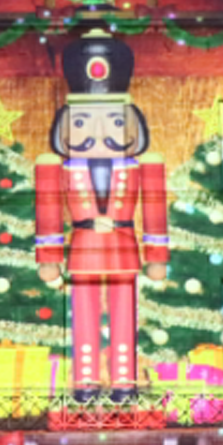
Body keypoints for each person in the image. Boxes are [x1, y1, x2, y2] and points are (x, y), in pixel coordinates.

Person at [34, 29, 168, 403]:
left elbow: (155, 209)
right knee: (84, 316)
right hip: (82, 248)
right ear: (64, 127)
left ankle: (124, 380)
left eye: (111, 121)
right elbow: (47, 212)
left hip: (124, 246)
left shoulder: (144, 166)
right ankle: (86, 381)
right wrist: (49, 259)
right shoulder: (55, 168)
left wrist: (157, 256)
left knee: (125, 314)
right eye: (80, 123)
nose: (98, 133)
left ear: (131, 124)